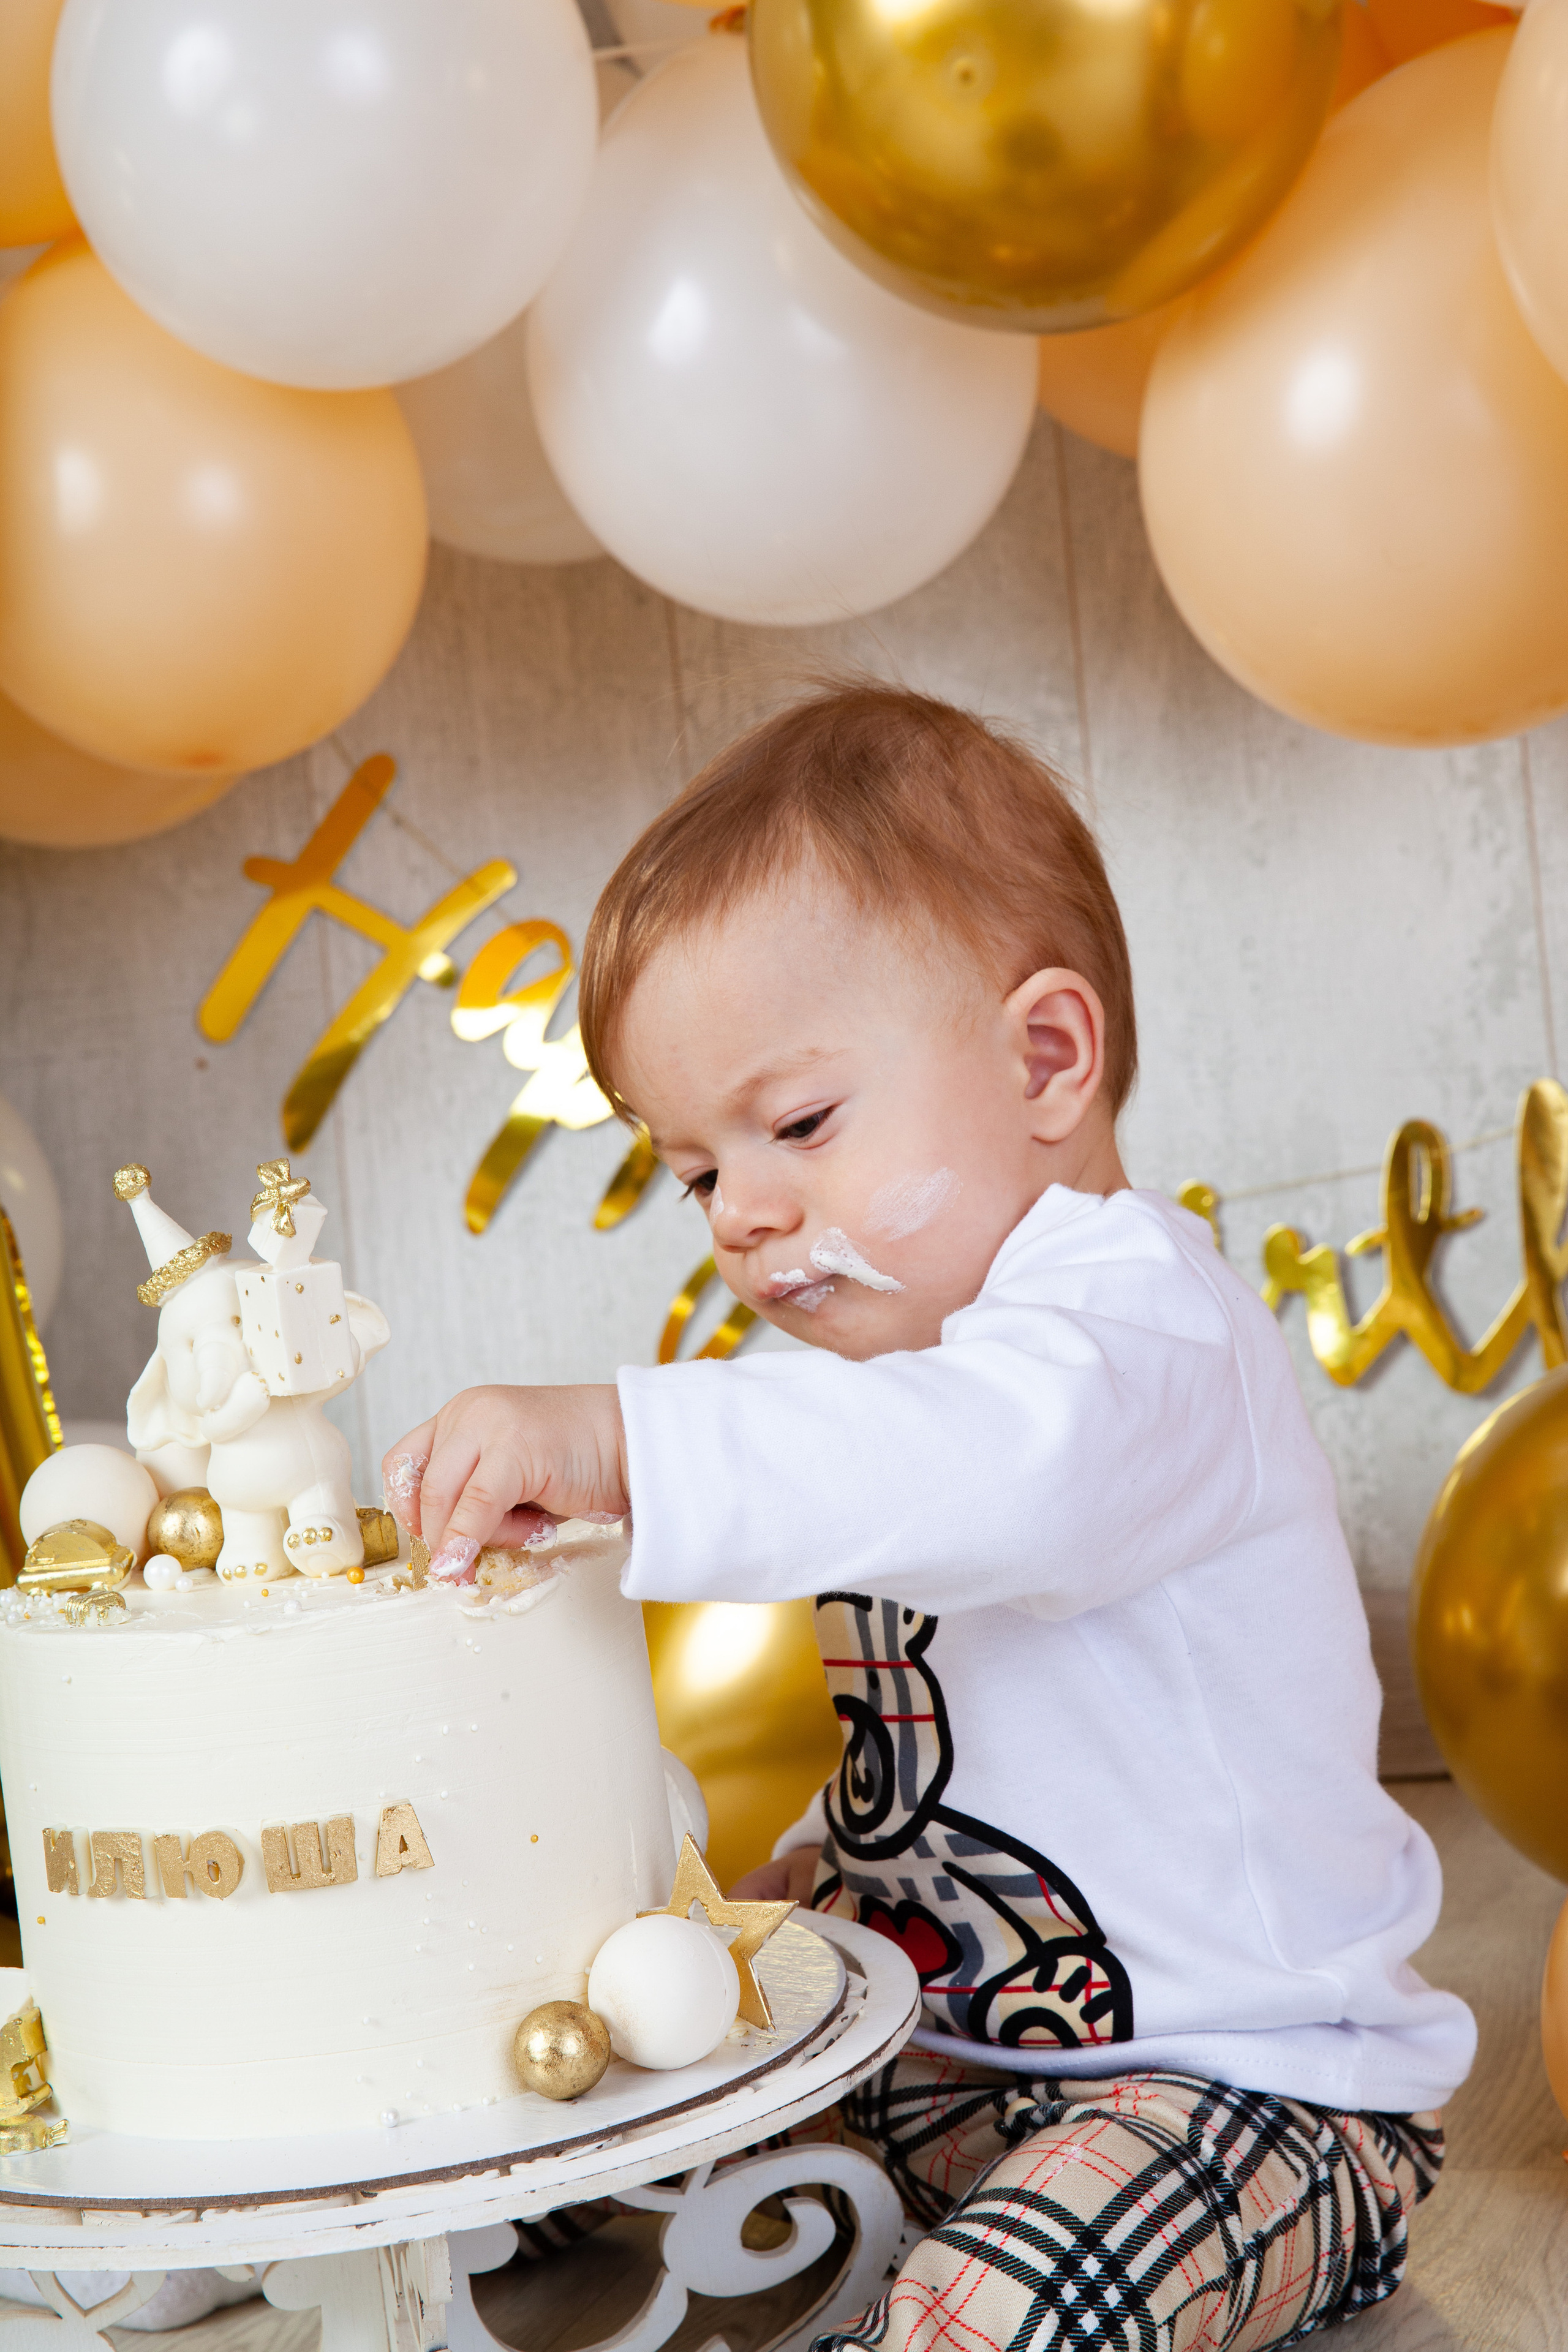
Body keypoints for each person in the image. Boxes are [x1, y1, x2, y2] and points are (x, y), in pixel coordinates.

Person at [385, 684, 1474, 2352]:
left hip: (1247, 2086)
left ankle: (1224, 2238)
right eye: (696, 1171)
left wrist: (620, 1441)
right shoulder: (923, 1372)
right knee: (603, 2107)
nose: (742, 1216)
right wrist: (810, 1879)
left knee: (981, 2316)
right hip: (963, 2055)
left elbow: (989, 1471)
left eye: (799, 1125)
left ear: (1048, 1057)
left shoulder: (1134, 1336)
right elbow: (958, 1738)